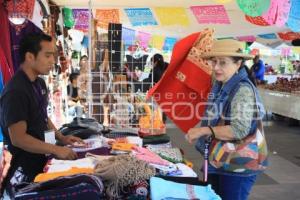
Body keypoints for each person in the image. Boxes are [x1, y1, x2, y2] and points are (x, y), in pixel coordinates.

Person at [0, 33, 84, 197]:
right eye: (48, 55)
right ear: (30, 57)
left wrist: (62, 138)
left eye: (53, 55)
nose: (53, 61)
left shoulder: (39, 83)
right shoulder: (16, 91)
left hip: (41, 160)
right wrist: (55, 149)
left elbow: (43, 117)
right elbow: (19, 138)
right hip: (23, 169)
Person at [185, 39, 267, 200]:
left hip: (238, 164)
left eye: (223, 63)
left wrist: (203, 130)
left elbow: (239, 129)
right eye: (214, 61)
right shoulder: (222, 84)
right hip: (222, 159)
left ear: (238, 64)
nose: (216, 67)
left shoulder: (242, 89)